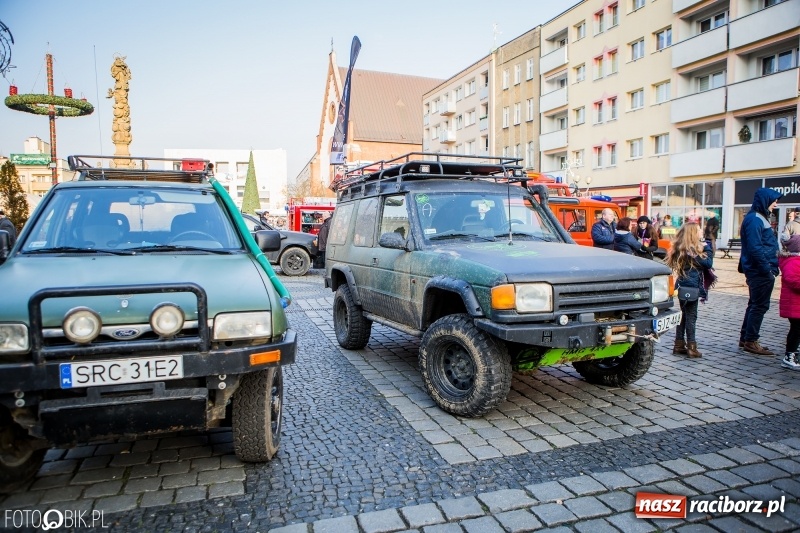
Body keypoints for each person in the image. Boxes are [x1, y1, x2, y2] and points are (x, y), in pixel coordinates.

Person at [739, 187, 782, 356]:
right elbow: (755, 248)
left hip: (759, 270)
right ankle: (751, 340)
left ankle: (746, 338)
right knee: (759, 306)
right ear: (766, 200)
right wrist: (767, 270)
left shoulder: (757, 218)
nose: (776, 203)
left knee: (754, 304)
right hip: (760, 271)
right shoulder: (756, 219)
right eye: (774, 200)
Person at [665, 222, 714, 358]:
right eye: (698, 230)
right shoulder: (693, 252)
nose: (701, 231)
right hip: (691, 287)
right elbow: (708, 263)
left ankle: (679, 344)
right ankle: (692, 347)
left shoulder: (683, 249)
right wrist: (707, 248)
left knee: (684, 316)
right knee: (691, 317)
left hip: (682, 285)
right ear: (693, 233)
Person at [778, 234, 800, 371]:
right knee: (796, 330)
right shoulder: (792, 261)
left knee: (797, 330)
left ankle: (793, 353)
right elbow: (792, 279)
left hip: (796, 303)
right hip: (794, 303)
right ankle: (789, 356)